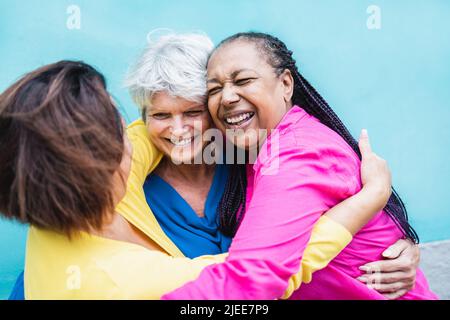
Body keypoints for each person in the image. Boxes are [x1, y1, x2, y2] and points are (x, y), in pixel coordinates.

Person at [0, 60, 396, 299]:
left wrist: (390, 243)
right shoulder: (133, 283)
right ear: (102, 165)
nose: (132, 131)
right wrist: (368, 201)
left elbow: (150, 133)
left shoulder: (51, 210)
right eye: (119, 127)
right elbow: (260, 277)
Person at [161, 32, 438, 300]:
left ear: (285, 84)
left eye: (243, 80)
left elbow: (251, 279)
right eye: (214, 89)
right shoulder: (253, 144)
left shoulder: (299, 154)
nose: (227, 97)